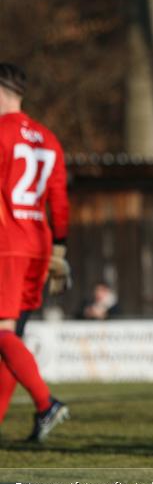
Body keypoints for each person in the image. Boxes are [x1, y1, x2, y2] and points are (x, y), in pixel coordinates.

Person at [0, 62, 71, 441]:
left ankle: (46, 404)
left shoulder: (1, 132)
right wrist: (60, 244)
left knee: (3, 334)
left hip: (7, 242)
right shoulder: (48, 137)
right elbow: (59, 199)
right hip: (38, 243)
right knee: (11, 336)